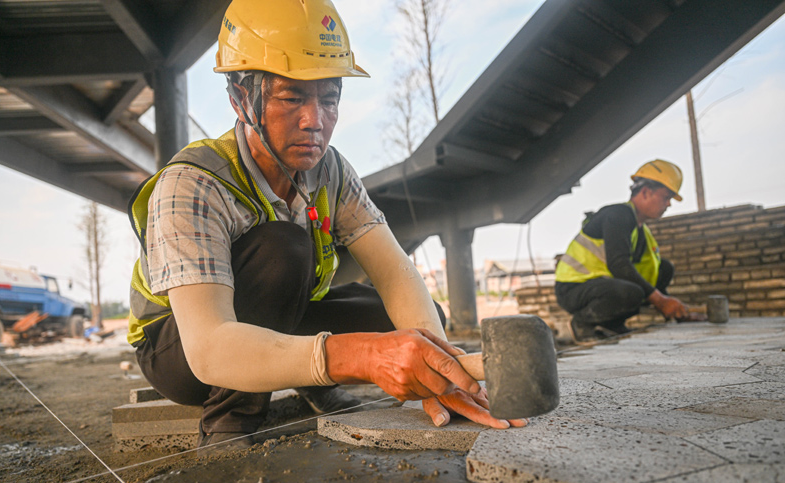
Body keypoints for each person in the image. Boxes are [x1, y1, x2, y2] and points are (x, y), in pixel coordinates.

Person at [126, 0, 525, 452]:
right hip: (180, 350)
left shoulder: (330, 171)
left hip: (277, 317)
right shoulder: (192, 184)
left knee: (407, 323)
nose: (315, 121)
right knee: (284, 248)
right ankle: (231, 420)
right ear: (241, 98)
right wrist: (364, 356)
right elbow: (211, 346)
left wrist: (442, 371)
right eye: (292, 97)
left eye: (329, 98)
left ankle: (311, 381)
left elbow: (396, 274)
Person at [554, 159, 696, 343]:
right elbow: (618, 265)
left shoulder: (640, 230)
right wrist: (660, 301)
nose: (668, 204)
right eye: (665, 197)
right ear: (645, 192)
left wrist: (674, 309)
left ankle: (612, 324)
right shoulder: (618, 215)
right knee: (632, 292)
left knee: (664, 269)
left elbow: (649, 275)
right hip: (573, 288)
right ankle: (582, 324)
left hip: (601, 286)